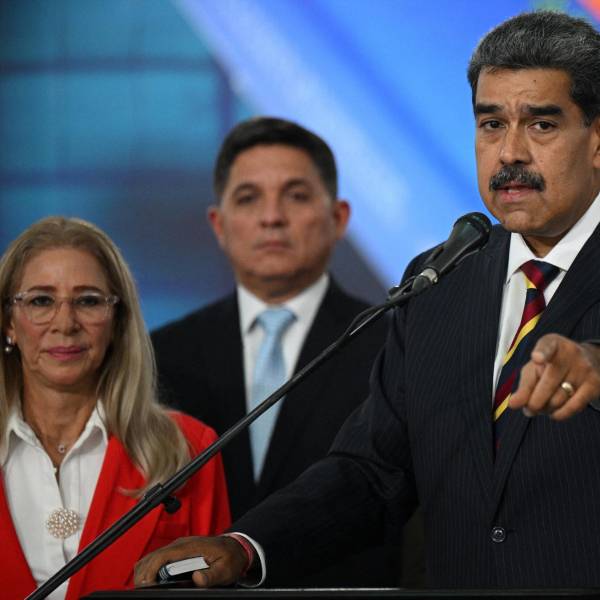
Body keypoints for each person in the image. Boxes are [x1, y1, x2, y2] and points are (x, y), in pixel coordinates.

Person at [135, 10, 600, 589]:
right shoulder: (442, 279)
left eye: (542, 125)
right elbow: (374, 471)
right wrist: (247, 546)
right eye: (490, 124)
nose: (509, 153)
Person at [150, 117, 421, 586]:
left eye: (295, 196)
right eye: (248, 198)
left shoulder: (392, 342)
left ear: (339, 218)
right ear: (219, 225)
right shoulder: (162, 355)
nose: (271, 217)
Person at [0, 217, 231, 600]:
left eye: (88, 301)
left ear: (118, 322)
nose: (65, 323)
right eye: (41, 301)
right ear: (9, 322)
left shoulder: (188, 448)